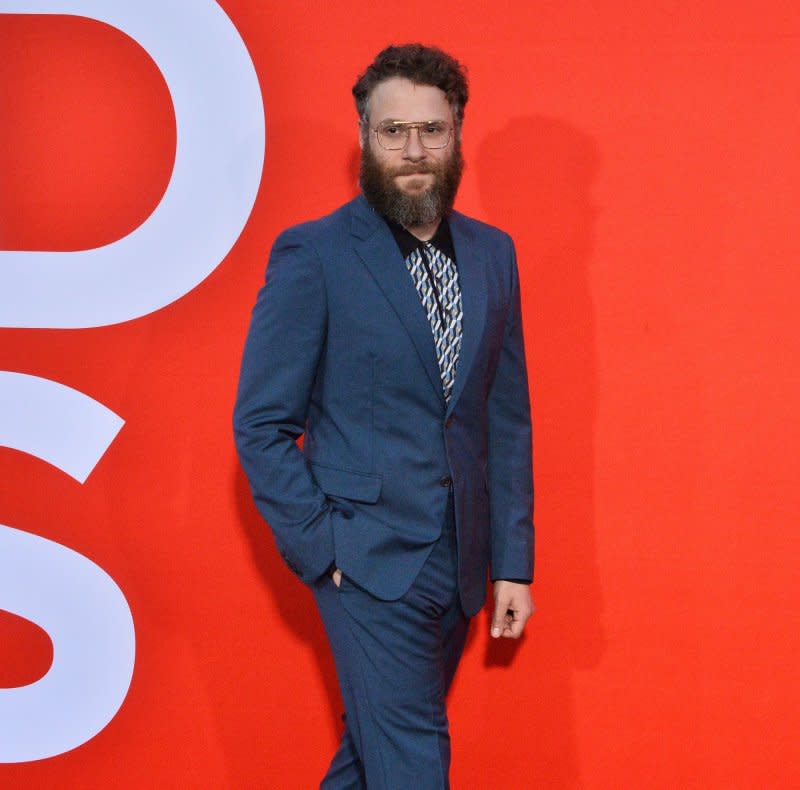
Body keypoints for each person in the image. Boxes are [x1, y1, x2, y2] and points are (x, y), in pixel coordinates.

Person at [233, 43, 535, 790]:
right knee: (412, 761)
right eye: (393, 131)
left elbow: (506, 421)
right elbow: (260, 423)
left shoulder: (495, 256)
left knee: (373, 758)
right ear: (365, 136)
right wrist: (324, 549)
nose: (413, 150)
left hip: (459, 568)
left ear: (457, 133)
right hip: (364, 563)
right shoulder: (317, 253)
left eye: (431, 130)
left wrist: (513, 563)